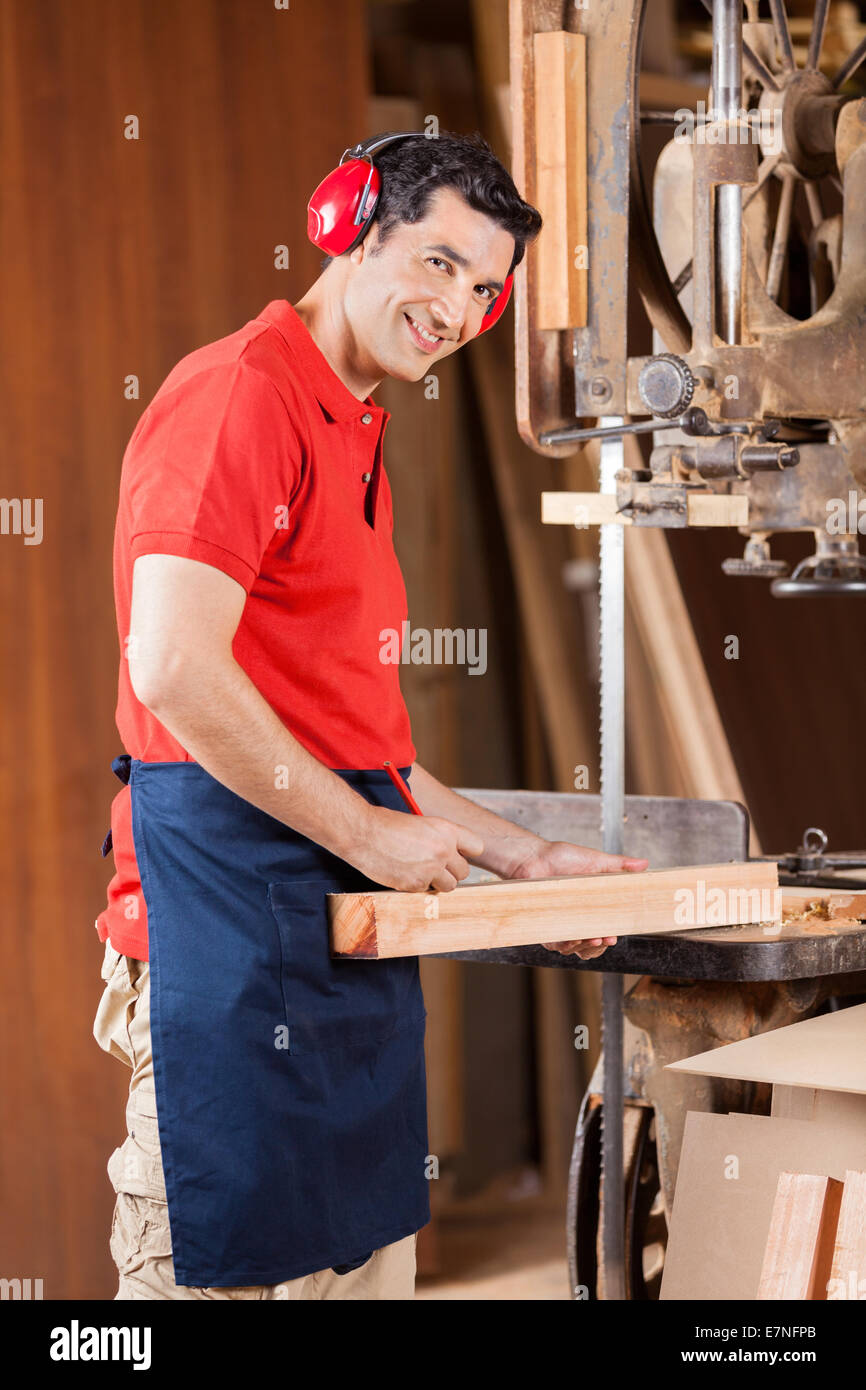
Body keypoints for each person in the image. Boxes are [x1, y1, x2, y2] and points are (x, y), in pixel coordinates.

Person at [93, 129, 648, 1301]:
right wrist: (366, 838)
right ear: (351, 227)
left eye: (486, 288)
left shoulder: (357, 434)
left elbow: (366, 759)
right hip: (223, 957)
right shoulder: (238, 395)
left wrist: (520, 856)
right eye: (441, 263)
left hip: (342, 957)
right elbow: (174, 670)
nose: (458, 306)